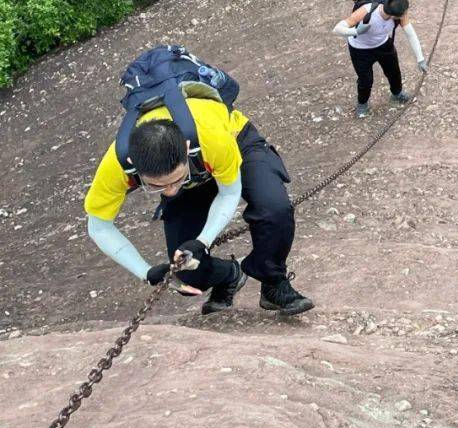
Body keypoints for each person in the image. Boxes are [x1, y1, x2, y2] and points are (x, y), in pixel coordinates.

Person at [84, 75, 313, 317]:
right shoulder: (116, 164)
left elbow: (229, 192)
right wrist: (146, 272)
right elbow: (98, 226)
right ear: (133, 165)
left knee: (273, 207)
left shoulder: (211, 136)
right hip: (194, 172)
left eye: (175, 181)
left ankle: (273, 283)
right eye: (156, 186)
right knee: (186, 272)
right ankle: (229, 276)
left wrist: (202, 241)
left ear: (186, 148)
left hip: (234, 139)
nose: (170, 191)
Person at [333, 0, 427, 119]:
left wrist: (420, 58)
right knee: (365, 81)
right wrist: (355, 31)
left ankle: (397, 93)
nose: (406, 15)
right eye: (403, 13)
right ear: (394, 15)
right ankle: (362, 104)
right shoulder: (366, 11)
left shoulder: (400, 14)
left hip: (383, 45)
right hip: (360, 50)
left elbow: (410, 34)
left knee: (394, 72)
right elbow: (337, 29)